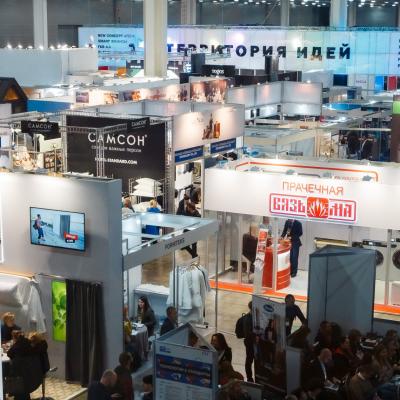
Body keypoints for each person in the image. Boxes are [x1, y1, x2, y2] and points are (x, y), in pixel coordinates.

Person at [243, 301, 255, 382]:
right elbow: (247, 333)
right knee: (249, 361)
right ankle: (249, 378)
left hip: (252, 342)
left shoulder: (253, 317)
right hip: (250, 343)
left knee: (249, 360)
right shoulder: (248, 319)